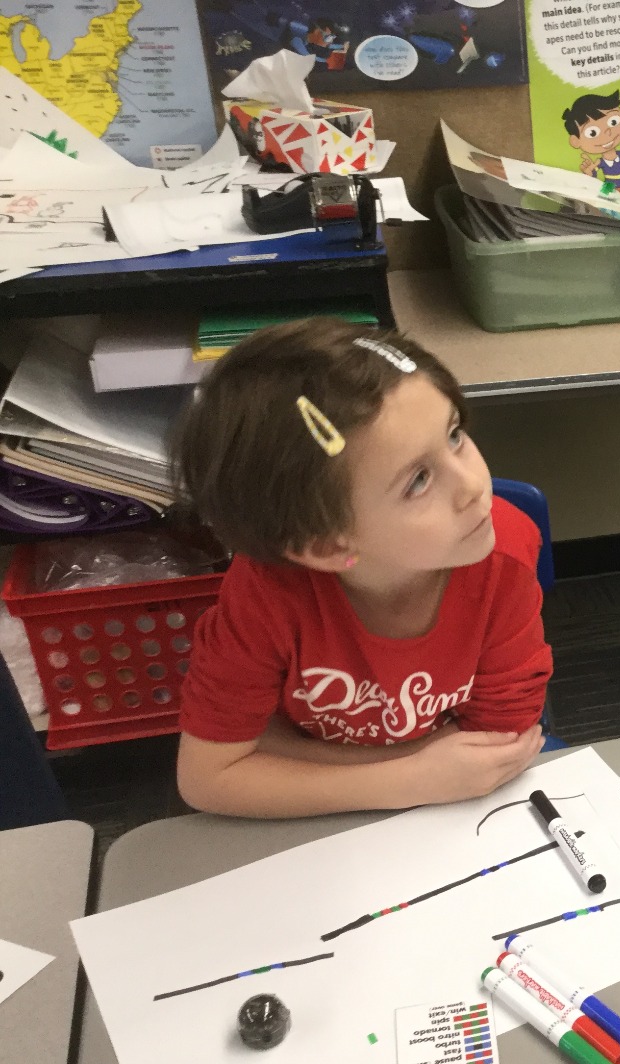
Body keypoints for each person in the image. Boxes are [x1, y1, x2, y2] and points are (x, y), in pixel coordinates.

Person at [171, 319, 552, 819]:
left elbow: (496, 748)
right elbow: (206, 779)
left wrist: (277, 749)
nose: (474, 486)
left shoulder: (502, 552)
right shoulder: (267, 594)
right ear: (327, 546)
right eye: (418, 480)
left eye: (454, 434)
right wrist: (410, 775)